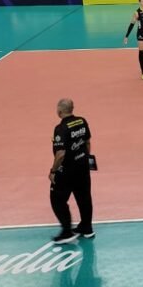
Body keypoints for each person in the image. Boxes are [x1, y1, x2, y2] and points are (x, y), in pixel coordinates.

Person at [49, 98, 94, 244]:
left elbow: (60, 154)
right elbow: (87, 142)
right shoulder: (82, 121)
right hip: (83, 167)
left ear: (60, 111)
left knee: (57, 199)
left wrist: (53, 171)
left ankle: (67, 232)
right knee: (84, 197)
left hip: (67, 171)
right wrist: (84, 159)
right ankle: (86, 228)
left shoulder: (60, 129)